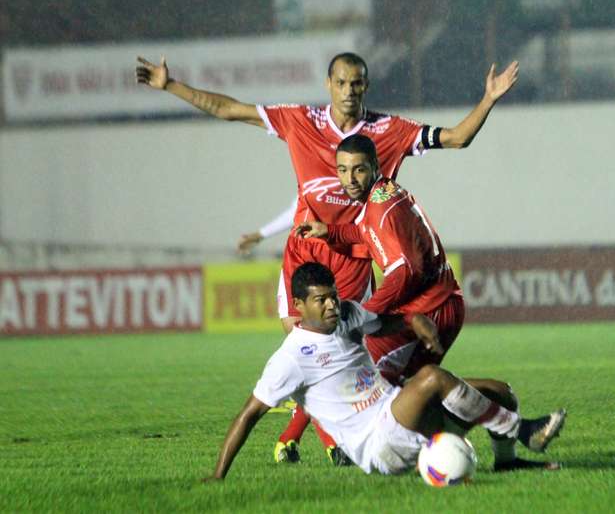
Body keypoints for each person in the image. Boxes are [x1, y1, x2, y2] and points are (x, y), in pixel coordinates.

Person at [136, 51, 519, 463]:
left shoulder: (389, 130)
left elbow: (457, 138)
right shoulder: (300, 121)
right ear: (328, 85)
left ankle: (384, 433)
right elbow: (230, 109)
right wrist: (170, 86)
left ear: (366, 86)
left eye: (357, 83)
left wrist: (489, 99)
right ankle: (339, 437)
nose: (349, 91)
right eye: (341, 83)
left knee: (345, 357)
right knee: (305, 350)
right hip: (304, 254)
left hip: (353, 257)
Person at [202, 263, 566, 481]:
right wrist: (219, 475)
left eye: (333, 295)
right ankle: (522, 431)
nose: (331, 305)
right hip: (378, 445)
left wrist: (414, 321)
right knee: (431, 378)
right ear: (298, 306)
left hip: (400, 414)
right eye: (320, 300)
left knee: (499, 391)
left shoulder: (347, 314)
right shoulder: (291, 357)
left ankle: (507, 463)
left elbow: (386, 323)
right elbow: (249, 414)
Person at [297, 134, 462, 384]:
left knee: (368, 381)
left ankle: (495, 408)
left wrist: (366, 312)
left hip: (430, 306)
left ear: (375, 166)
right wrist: (330, 231)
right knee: (415, 391)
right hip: (442, 302)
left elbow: (405, 270)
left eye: (359, 170)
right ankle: (500, 413)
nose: (349, 179)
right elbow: (368, 231)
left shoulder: (380, 209)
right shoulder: (383, 191)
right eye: (342, 170)